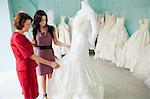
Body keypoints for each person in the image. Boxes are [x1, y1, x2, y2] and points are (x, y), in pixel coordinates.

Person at [47, 0, 104, 99]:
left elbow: (95, 30)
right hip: (75, 42)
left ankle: (81, 90)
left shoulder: (90, 12)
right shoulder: (79, 12)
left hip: (82, 42)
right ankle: (73, 87)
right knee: (73, 64)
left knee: (79, 64)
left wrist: (91, 44)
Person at [10, 12, 60, 99]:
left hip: (29, 67)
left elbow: (32, 45)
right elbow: (31, 55)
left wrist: (49, 51)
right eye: (28, 25)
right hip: (25, 69)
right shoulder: (17, 37)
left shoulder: (21, 36)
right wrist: (50, 63)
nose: (29, 27)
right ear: (22, 24)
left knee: (33, 92)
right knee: (30, 94)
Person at [32, 10, 70, 99]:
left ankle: (52, 92)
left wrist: (66, 44)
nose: (44, 22)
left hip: (49, 53)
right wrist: (30, 43)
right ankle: (45, 94)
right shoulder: (35, 30)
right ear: (37, 20)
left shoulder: (51, 29)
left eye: (45, 20)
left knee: (51, 76)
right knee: (43, 77)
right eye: (41, 20)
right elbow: (34, 44)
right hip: (40, 55)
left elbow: (56, 42)